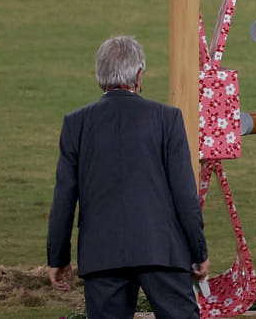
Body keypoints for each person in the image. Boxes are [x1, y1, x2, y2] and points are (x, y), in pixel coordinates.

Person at [47, 35, 210, 318]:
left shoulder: (76, 124)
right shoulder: (167, 118)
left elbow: (63, 198)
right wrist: (199, 250)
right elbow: (185, 194)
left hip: (102, 255)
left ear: (100, 76)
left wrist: (58, 258)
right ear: (139, 74)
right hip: (163, 251)